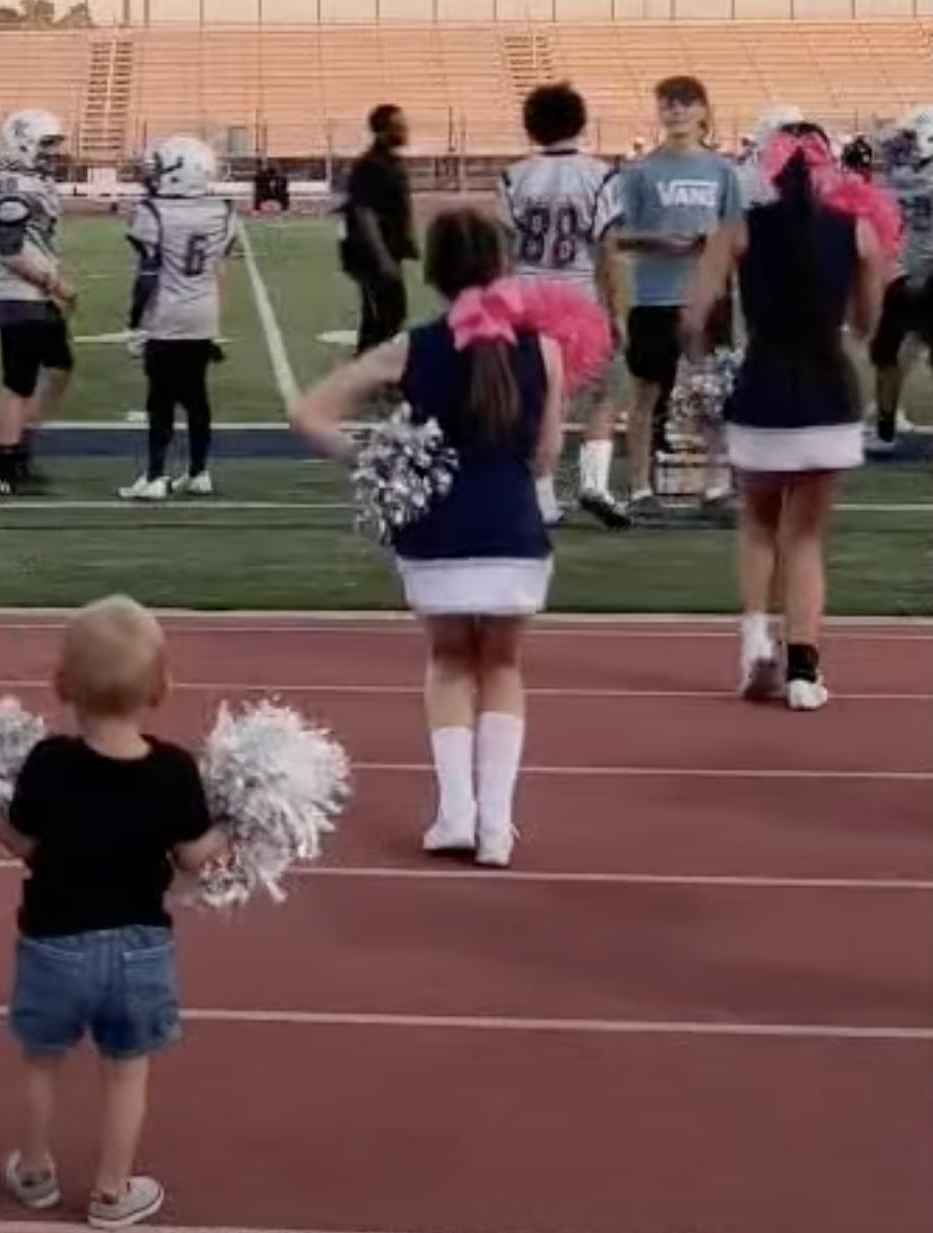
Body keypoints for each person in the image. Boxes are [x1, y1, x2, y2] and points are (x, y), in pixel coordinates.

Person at [292, 209, 564, 868]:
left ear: (434, 273)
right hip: (515, 532)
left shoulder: (412, 347)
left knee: (448, 665)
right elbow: (548, 457)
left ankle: (455, 815)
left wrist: (376, 461)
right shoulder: (544, 348)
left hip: (437, 533)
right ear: (501, 263)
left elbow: (308, 412)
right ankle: (497, 827)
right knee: (501, 668)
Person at [0, 596, 224, 1231]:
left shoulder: (49, 763)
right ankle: (113, 1192)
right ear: (163, 688)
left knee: (41, 1060)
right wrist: (237, 825)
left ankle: (33, 1170)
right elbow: (195, 857)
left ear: (61, 685)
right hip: (141, 949)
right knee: (125, 1072)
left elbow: (28, 846)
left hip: (52, 944)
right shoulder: (174, 771)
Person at [685, 125, 884, 711]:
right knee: (804, 538)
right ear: (828, 169)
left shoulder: (737, 229)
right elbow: (867, 324)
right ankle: (803, 670)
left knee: (757, 526)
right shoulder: (859, 232)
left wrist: (701, 371)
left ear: (767, 170)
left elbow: (697, 316)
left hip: (762, 392)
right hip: (828, 397)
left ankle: (753, 645)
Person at [497, 82, 631, 528]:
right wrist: (616, 312)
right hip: (577, 297)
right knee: (602, 392)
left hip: (528, 297)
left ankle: (542, 495)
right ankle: (594, 481)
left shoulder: (514, 176)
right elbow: (608, 252)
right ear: (579, 120)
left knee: (539, 399)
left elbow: (502, 254)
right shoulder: (600, 175)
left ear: (532, 126)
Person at [613, 77, 742, 516]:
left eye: (686, 104)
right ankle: (640, 489)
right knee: (648, 392)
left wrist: (716, 248)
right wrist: (659, 241)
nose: (676, 112)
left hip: (709, 298)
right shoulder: (640, 172)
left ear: (703, 112)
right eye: (667, 104)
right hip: (654, 298)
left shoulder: (724, 171)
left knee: (712, 393)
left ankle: (716, 487)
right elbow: (617, 236)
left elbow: (735, 233)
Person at [120, 136, 236, 501]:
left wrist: (135, 321)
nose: (151, 176)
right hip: (203, 313)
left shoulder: (151, 213)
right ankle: (199, 472)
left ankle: (154, 477)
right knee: (196, 396)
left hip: (167, 315)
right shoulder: (223, 210)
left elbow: (148, 275)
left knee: (161, 399)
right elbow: (219, 266)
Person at [0, 107, 76, 496]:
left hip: (36, 295)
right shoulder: (12, 186)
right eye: (48, 144)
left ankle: (20, 441)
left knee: (59, 368)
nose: (55, 153)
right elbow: (11, 253)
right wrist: (56, 284)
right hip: (18, 296)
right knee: (18, 383)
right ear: (23, 143)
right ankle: (7, 466)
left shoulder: (31, 183)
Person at [868, 106, 933, 457]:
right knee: (888, 354)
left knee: (888, 354)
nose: (904, 145)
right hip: (908, 272)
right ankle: (886, 427)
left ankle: (886, 430)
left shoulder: (906, 177)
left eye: (911, 138)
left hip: (911, 273)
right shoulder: (908, 175)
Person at [341, 104, 416, 353]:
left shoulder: (392, 163)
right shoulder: (371, 165)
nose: (406, 130)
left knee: (385, 316)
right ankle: (369, 374)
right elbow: (364, 214)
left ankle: (370, 372)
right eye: (399, 126)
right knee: (385, 315)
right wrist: (382, 257)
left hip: (388, 251)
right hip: (372, 256)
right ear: (383, 131)